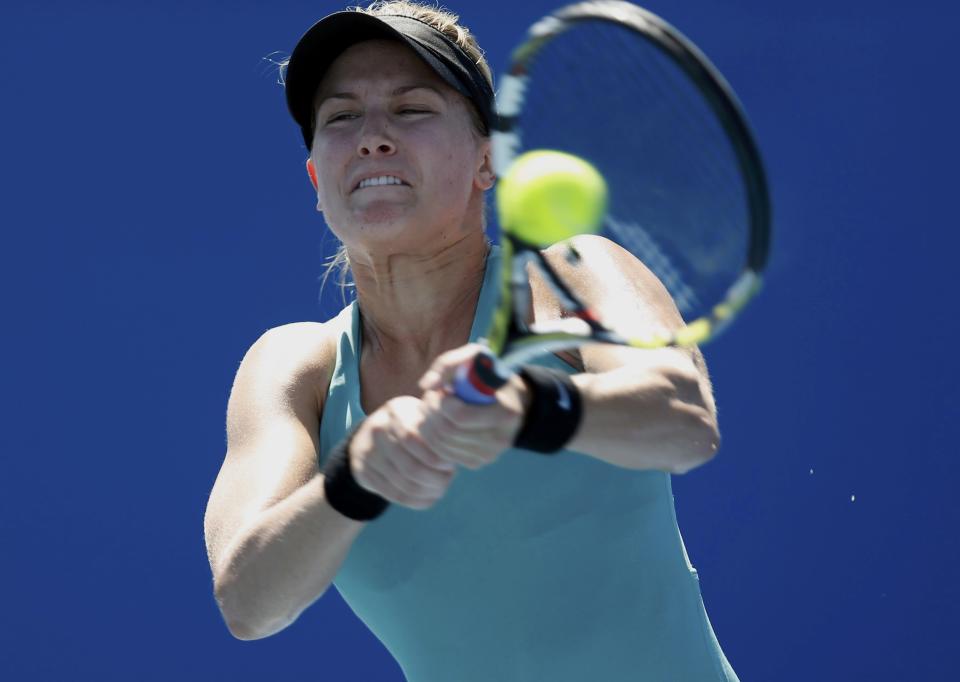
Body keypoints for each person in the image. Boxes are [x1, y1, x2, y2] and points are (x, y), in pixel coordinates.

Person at [203, 2, 739, 680]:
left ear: (488, 159)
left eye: (412, 109)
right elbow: (248, 603)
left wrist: (529, 410)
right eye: (341, 118)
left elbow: (685, 420)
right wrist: (356, 478)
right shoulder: (294, 367)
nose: (373, 137)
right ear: (316, 180)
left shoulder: (568, 273)